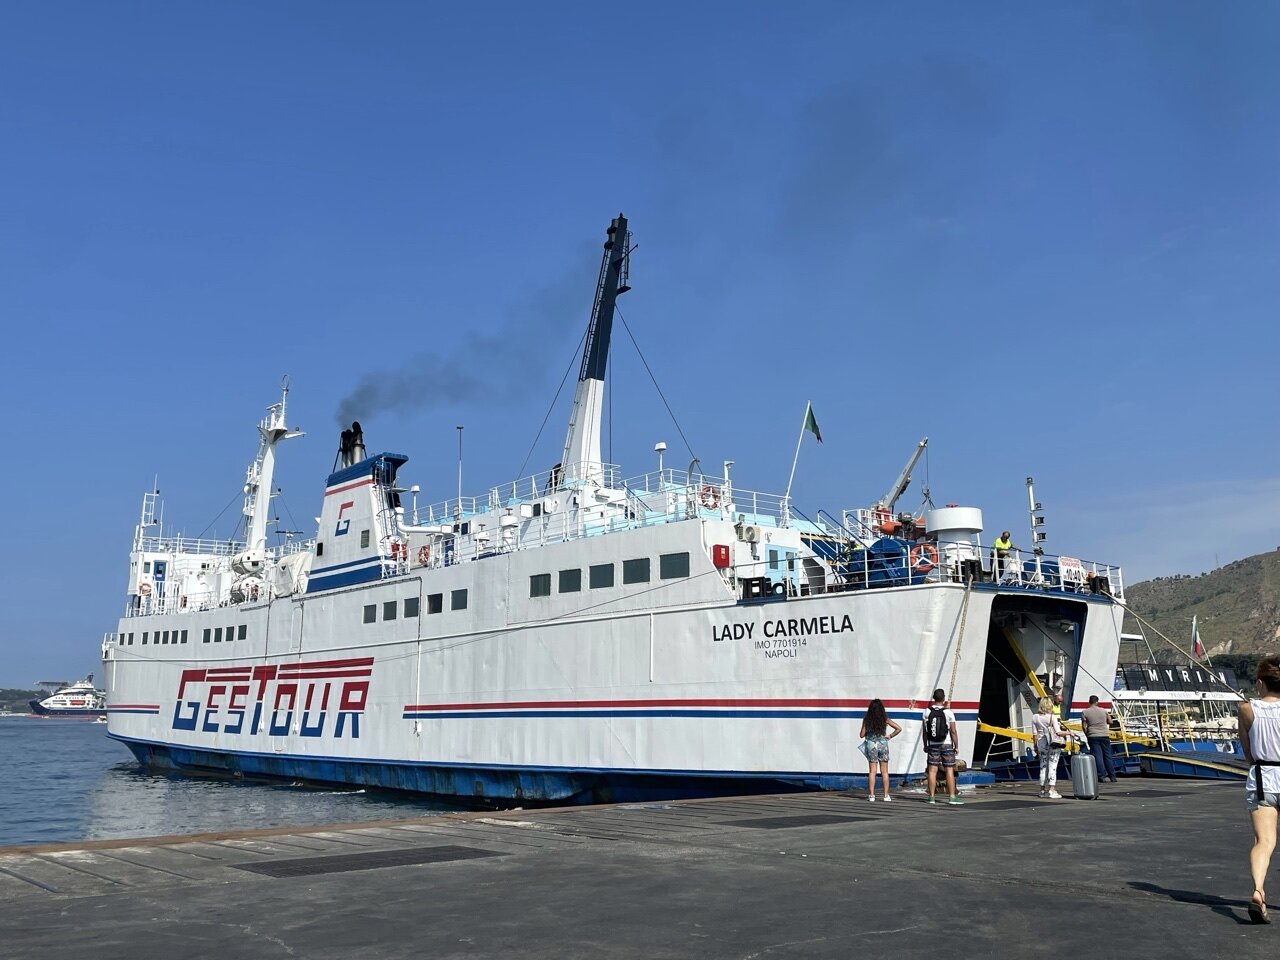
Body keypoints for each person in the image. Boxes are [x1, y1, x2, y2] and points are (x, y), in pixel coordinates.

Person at [1239, 656, 1280, 924]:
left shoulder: (1246, 709)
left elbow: (1248, 753)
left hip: (1263, 776)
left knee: (1263, 842)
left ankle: (1258, 891)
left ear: (1259, 683)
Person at [921, 688, 963, 805]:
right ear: (944, 698)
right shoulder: (949, 712)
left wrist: (925, 745)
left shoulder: (926, 712)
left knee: (932, 771)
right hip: (947, 744)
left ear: (934, 698)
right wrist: (956, 745)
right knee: (949, 770)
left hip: (933, 745)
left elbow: (925, 731)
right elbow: (953, 731)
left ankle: (932, 797)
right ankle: (952, 797)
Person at [860, 698, 903, 802]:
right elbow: (899, 728)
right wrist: (890, 736)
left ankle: (871, 795)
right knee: (884, 772)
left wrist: (868, 732)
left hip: (871, 745)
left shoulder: (867, 719)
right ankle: (886, 795)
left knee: (872, 771)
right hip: (883, 744)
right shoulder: (885, 719)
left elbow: (861, 735)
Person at [1032, 696, 1069, 799]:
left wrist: (1035, 746)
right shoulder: (1052, 717)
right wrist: (1070, 733)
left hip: (1041, 744)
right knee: (1052, 766)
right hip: (1052, 744)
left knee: (1043, 766)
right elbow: (1058, 732)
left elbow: (1035, 734)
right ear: (1049, 705)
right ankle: (1052, 790)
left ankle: (1042, 791)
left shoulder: (1035, 717)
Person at [1081, 694, 1119, 783]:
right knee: (1108, 756)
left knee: (1098, 756)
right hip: (1104, 735)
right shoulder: (1103, 711)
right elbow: (1110, 721)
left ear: (1089, 702)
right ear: (1097, 702)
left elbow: (1083, 726)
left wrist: (1087, 733)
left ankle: (1101, 776)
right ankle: (1112, 776)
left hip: (1093, 735)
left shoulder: (1085, 712)